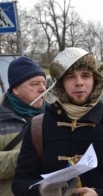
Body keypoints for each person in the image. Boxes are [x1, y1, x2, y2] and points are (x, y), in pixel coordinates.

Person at [12, 48, 103, 196]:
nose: (79, 82)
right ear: (61, 84)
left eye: (85, 75)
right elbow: (20, 182)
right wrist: (40, 191)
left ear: (95, 80)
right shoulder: (38, 126)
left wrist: (101, 194)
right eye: (71, 77)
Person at [0, 56, 47, 196]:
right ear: (16, 89)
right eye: (35, 84)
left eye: (44, 83)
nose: (43, 89)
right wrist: (25, 156)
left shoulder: (55, 114)